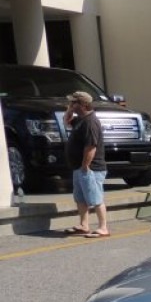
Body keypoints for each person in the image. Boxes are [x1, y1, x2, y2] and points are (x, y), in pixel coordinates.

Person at [62, 90, 109, 237]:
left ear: (83, 104)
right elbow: (67, 121)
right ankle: (84, 225)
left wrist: (85, 166)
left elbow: (91, 147)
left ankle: (103, 228)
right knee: (80, 198)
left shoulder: (90, 122)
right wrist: (69, 110)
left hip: (91, 168)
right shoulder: (80, 120)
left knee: (96, 198)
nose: (70, 104)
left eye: (73, 102)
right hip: (79, 167)